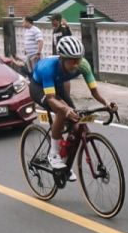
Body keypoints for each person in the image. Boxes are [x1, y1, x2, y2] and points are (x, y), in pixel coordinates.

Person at [29, 35, 116, 179]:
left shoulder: (83, 65)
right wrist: (65, 109)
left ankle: (64, 164)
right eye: (72, 60)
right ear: (62, 58)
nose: (76, 64)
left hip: (59, 84)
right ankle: (53, 154)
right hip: (39, 87)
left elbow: (94, 91)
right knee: (62, 111)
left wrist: (107, 102)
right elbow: (51, 98)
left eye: (78, 59)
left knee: (76, 124)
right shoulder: (48, 68)